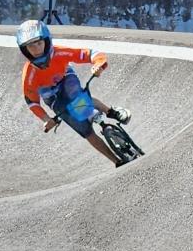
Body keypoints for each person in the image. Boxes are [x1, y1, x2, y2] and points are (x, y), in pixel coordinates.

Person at [17, 19, 133, 167]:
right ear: (24, 49)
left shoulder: (59, 52)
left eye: (39, 43)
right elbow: (32, 102)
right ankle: (116, 161)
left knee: (75, 95)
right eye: (31, 46)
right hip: (52, 97)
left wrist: (98, 65)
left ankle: (112, 112)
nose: (36, 49)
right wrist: (46, 119)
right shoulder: (29, 75)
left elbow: (92, 54)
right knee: (84, 130)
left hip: (66, 79)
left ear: (47, 41)